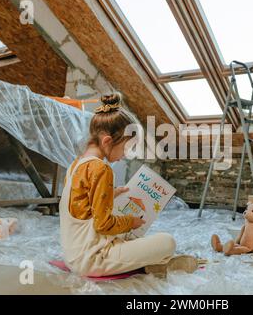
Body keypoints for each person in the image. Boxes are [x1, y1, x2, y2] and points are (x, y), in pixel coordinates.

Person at [59, 92, 197, 277]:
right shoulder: (101, 169)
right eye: (126, 148)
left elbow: (82, 206)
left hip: (74, 255)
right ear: (107, 141)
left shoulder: (77, 164)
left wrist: (112, 194)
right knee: (167, 242)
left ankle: (145, 260)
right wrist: (130, 222)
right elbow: (103, 224)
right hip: (92, 259)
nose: (126, 154)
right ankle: (157, 264)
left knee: (124, 222)